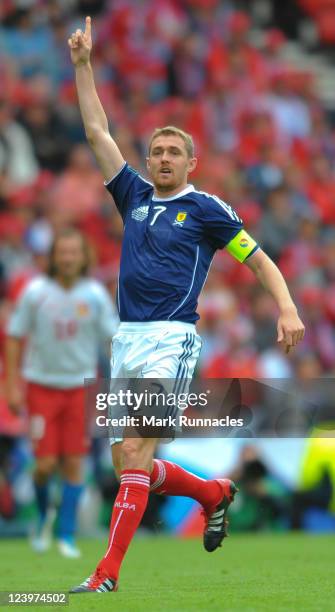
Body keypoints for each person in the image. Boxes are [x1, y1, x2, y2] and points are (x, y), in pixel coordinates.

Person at [68, 17, 305, 593]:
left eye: (174, 151)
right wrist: (82, 66)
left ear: (192, 162)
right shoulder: (133, 196)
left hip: (170, 337)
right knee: (136, 465)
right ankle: (211, 492)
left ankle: (106, 575)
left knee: (132, 452)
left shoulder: (206, 209)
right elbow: (99, 133)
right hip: (126, 337)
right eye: (156, 151)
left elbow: (258, 259)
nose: (163, 158)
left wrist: (288, 307)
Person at [5, 228, 119, 558]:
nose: (68, 258)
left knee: (74, 464)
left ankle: (65, 535)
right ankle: (43, 518)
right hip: (41, 387)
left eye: (74, 252)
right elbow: (14, 337)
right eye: (62, 252)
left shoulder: (95, 295)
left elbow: (112, 341)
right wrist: (12, 384)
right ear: (53, 257)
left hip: (79, 390)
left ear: (84, 257)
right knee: (43, 465)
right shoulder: (36, 292)